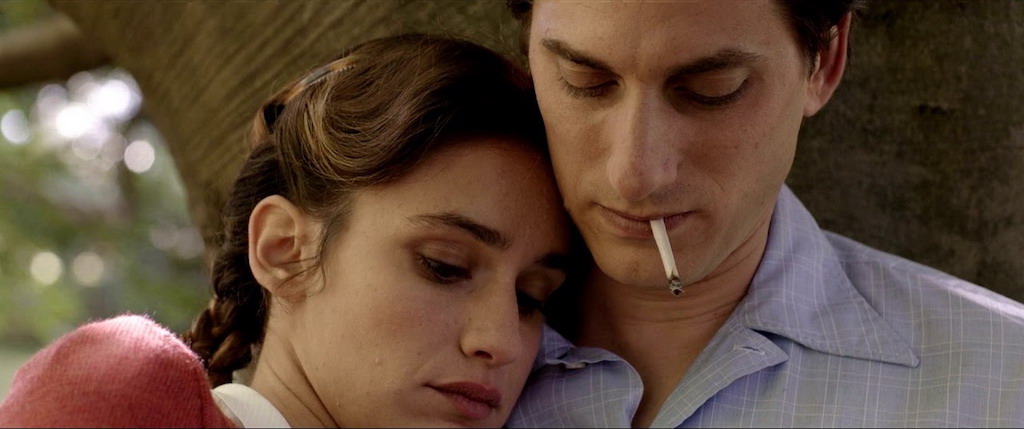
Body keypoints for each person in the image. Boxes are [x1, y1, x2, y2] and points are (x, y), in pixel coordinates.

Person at [0, 33, 573, 428]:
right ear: (283, 251)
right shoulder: (125, 390)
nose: (501, 342)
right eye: (444, 266)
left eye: (529, 299)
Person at [504, 1, 1024, 427]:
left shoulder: (1002, 383)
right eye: (584, 80)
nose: (635, 175)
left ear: (823, 62)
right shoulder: (459, 358)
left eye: (712, 90)